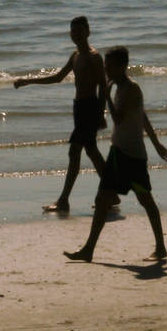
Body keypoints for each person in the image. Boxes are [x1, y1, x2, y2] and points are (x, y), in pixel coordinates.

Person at [64, 45, 167, 263]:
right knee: (102, 200)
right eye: (105, 65)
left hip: (133, 157)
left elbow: (121, 118)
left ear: (123, 66)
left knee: (146, 201)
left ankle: (160, 248)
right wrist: (157, 143)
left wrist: (106, 96)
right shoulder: (121, 87)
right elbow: (142, 116)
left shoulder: (131, 89)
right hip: (118, 153)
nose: (106, 70)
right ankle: (89, 249)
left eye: (109, 66)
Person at [13, 15, 107, 214]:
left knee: (75, 152)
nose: (77, 35)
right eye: (73, 32)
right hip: (79, 108)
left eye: (80, 32)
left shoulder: (94, 57)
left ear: (88, 32)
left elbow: (103, 87)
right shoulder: (76, 56)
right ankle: (112, 192)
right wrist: (28, 81)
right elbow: (57, 78)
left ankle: (64, 200)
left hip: (90, 108)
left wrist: (101, 113)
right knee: (91, 152)